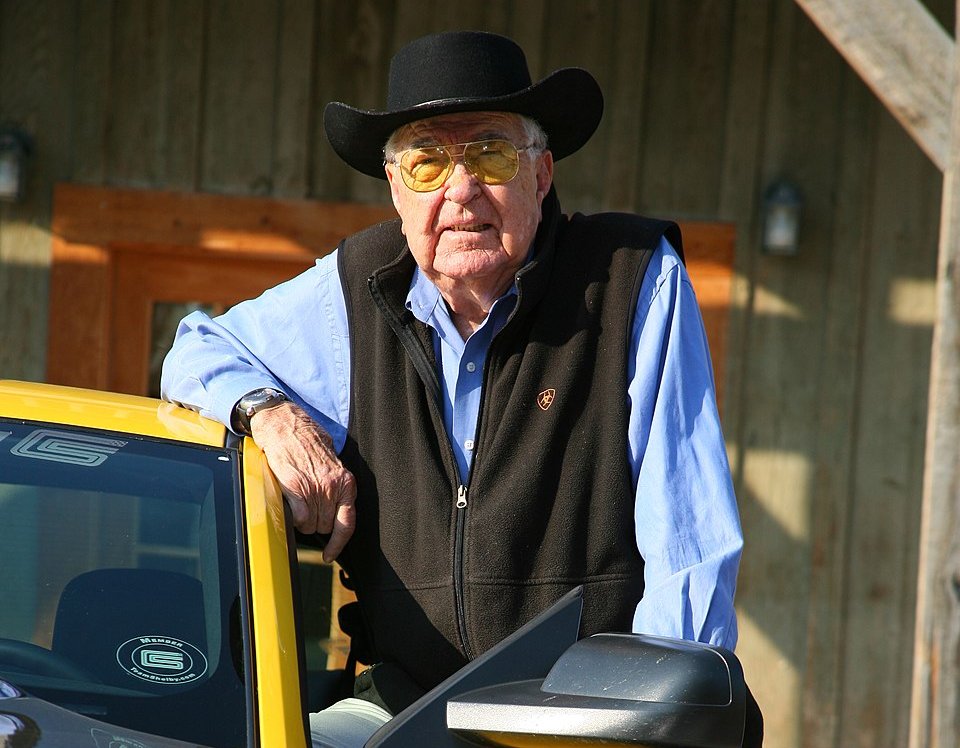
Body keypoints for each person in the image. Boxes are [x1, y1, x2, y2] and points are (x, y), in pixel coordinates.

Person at [162, 30, 760, 747]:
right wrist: (271, 415)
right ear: (395, 189)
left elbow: (687, 546)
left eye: (491, 154)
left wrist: (662, 720)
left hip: (579, 717)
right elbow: (198, 349)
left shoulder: (633, 281)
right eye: (425, 163)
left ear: (541, 176)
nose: (460, 189)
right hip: (399, 711)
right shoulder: (355, 288)